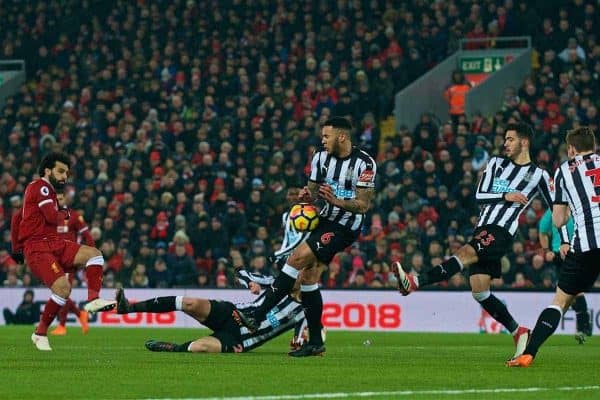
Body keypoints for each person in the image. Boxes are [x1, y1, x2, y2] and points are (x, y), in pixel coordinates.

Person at [393, 122, 554, 360]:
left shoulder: (539, 175)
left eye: (510, 139)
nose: (505, 143)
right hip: (483, 228)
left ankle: (415, 281)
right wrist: (505, 195)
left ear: (524, 142)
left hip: (501, 231)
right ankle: (518, 331)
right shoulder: (496, 164)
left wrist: (561, 237)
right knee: (479, 290)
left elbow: (556, 206)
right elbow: (479, 195)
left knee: (465, 254)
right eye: (505, 139)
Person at [237, 116, 377, 357]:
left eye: (326, 136)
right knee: (308, 278)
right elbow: (312, 191)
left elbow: (364, 205)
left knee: (296, 258)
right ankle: (315, 342)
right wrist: (306, 196)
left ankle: (257, 314)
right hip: (324, 220)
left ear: (341, 136)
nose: (322, 140)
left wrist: (337, 201)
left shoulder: (364, 164)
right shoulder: (320, 157)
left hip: (345, 226)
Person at [508, 127, 600, 367]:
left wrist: (570, 207)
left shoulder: (563, 172)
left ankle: (529, 353)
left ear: (571, 148)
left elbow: (558, 220)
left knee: (560, 301)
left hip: (586, 246)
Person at [11, 152, 116, 351]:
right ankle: (40, 332)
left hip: (55, 243)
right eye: (60, 171)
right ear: (47, 171)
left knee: (94, 254)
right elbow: (52, 217)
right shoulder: (40, 186)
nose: (64, 176)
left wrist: (16, 249)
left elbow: (17, 217)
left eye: (66, 172)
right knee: (63, 288)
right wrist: (66, 213)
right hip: (38, 247)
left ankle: (93, 300)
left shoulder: (44, 192)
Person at [115, 269, 312, 354]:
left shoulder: (306, 310)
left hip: (241, 340)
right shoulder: (275, 283)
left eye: (300, 274)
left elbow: (303, 341)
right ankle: (128, 307)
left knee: (200, 348)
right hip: (231, 314)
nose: (295, 276)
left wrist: (300, 342)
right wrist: (249, 282)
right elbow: (241, 273)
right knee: (190, 303)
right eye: (296, 272)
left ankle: (173, 348)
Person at [266, 186, 324, 348]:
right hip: (289, 257)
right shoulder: (288, 215)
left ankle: (307, 334)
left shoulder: (312, 214)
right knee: (295, 293)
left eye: (294, 193)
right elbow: (289, 239)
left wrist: (278, 254)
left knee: (299, 292)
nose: (292, 197)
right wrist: (282, 254)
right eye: (289, 194)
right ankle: (307, 332)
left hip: (305, 257)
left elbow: (303, 239)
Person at [538, 208, 592, 343]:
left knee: (573, 290)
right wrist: (546, 251)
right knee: (570, 292)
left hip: (578, 252)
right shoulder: (551, 211)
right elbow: (542, 231)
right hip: (558, 255)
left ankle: (583, 327)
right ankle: (584, 325)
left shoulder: (580, 206)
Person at [50, 189, 93, 336]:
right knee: (59, 292)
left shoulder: (74, 216)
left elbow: (87, 236)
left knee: (62, 292)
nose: (58, 202)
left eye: (61, 199)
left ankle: (62, 326)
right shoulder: (49, 218)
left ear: (66, 200)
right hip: (54, 260)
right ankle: (80, 315)